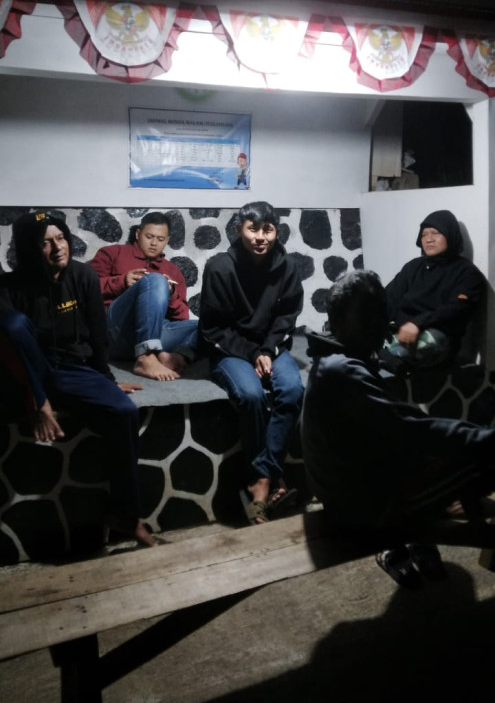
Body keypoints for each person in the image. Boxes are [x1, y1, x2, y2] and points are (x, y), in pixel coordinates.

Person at [301, 270, 495, 586]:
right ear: (338, 322)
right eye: (369, 316)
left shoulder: (333, 359)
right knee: (483, 455)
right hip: (362, 509)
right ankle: (412, 531)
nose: (382, 324)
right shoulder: (342, 371)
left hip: (346, 493)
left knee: (455, 448)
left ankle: (428, 522)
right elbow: (413, 430)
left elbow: (396, 429)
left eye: (382, 313)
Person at [0, 211, 157, 548]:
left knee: (124, 411)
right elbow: (14, 347)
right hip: (30, 372)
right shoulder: (11, 287)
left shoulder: (83, 276)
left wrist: (107, 380)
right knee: (13, 325)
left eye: (60, 238)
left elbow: (99, 336)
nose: (58, 247)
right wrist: (39, 400)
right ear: (29, 248)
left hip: (72, 369)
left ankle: (125, 516)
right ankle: (39, 400)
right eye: (45, 243)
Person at [199, 201, 304, 524]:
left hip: (270, 347)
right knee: (251, 394)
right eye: (253, 229)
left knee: (292, 389)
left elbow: (287, 318)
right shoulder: (220, 267)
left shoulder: (288, 267)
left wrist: (268, 350)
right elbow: (213, 328)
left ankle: (261, 477)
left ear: (277, 231)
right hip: (231, 349)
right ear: (239, 230)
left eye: (268, 230)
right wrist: (252, 353)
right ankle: (267, 479)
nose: (261, 237)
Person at [89, 211, 198, 381]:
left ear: (167, 240)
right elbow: (86, 289)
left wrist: (170, 294)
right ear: (138, 234)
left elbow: (182, 316)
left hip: (155, 333)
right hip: (116, 331)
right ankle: (146, 356)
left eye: (160, 239)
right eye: (149, 237)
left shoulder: (173, 270)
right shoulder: (112, 253)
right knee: (155, 279)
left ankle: (174, 357)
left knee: (207, 327)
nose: (154, 243)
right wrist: (121, 281)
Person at [381, 209, 485, 373]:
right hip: (400, 332)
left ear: (450, 235)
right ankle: (387, 353)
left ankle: (386, 355)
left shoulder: (467, 272)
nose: (429, 239)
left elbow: (457, 309)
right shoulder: (413, 267)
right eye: (424, 235)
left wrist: (418, 323)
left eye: (435, 233)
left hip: (435, 337)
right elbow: (388, 298)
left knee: (430, 341)